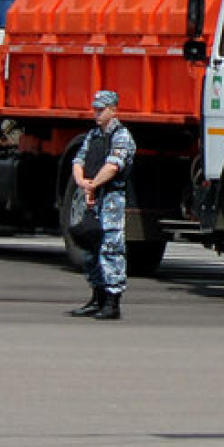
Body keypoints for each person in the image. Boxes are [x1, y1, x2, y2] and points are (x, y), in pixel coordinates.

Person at [69, 91, 136, 320]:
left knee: (111, 248)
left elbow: (113, 166)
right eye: (95, 109)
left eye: (101, 109)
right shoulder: (93, 135)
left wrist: (92, 185)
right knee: (90, 247)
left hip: (110, 198)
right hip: (94, 195)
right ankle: (96, 296)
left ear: (113, 110)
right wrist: (82, 181)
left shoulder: (121, 136)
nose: (96, 113)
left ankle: (112, 300)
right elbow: (78, 160)